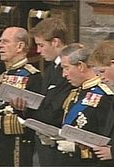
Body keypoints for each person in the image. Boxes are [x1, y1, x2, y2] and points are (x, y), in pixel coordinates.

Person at [0, 27, 42, 166]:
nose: (0, 46)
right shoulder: (3, 74)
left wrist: (2, 122)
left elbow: (35, 120)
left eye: (5, 42)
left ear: (20, 46)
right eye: (0, 42)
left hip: (16, 147)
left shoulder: (32, 77)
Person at [55, 44, 113, 166]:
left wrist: (77, 149)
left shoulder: (105, 96)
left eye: (66, 68)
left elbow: (108, 140)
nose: (64, 75)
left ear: (80, 66)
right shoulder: (75, 92)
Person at [29, 17, 73, 166]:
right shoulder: (51, 69)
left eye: (41, 45)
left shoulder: (68, 71)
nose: (38, 51)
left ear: (55, 42)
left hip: (58, 144)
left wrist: (30, 114)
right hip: (43, 140)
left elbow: (56, 108)